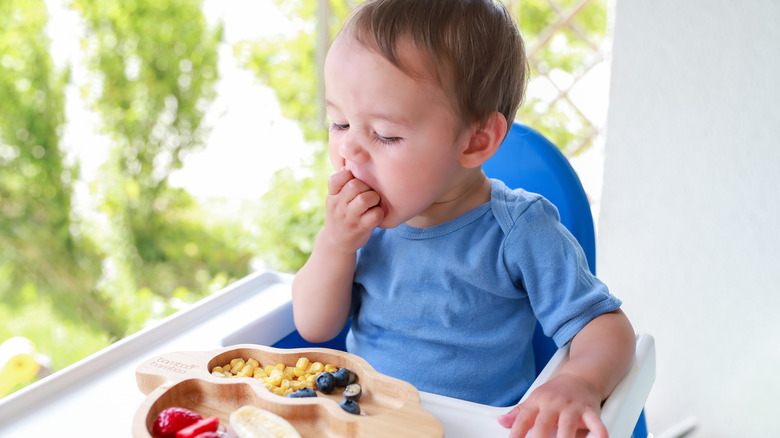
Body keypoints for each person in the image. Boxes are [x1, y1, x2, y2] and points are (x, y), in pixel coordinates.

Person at [291, 0, 636, 436]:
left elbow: (606, 326)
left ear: (475, 141)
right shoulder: (361, 227)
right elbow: (313, 326)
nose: (349, 151)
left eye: (385, 134)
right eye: (339, 124)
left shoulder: (518, 230)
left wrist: (579, 380)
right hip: (367, 423)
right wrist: (335, 245)